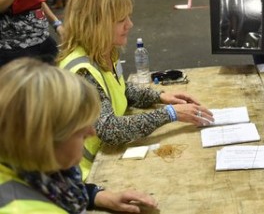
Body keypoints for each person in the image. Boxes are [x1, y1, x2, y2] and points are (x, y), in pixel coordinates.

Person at [57, 0, 214, 180]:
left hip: (107, 158)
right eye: (121, 20)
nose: (130, 25)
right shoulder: (80, 71)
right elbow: (109, 130)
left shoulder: (102, 52)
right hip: (89, 175)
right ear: (95, 24)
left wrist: (160, 96)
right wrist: (170, 114)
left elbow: (120, 90)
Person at [0, 58, 158, 213]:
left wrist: (99, 196)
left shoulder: (27, 167)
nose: (92, 133)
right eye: (80, 130)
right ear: (45, 140)